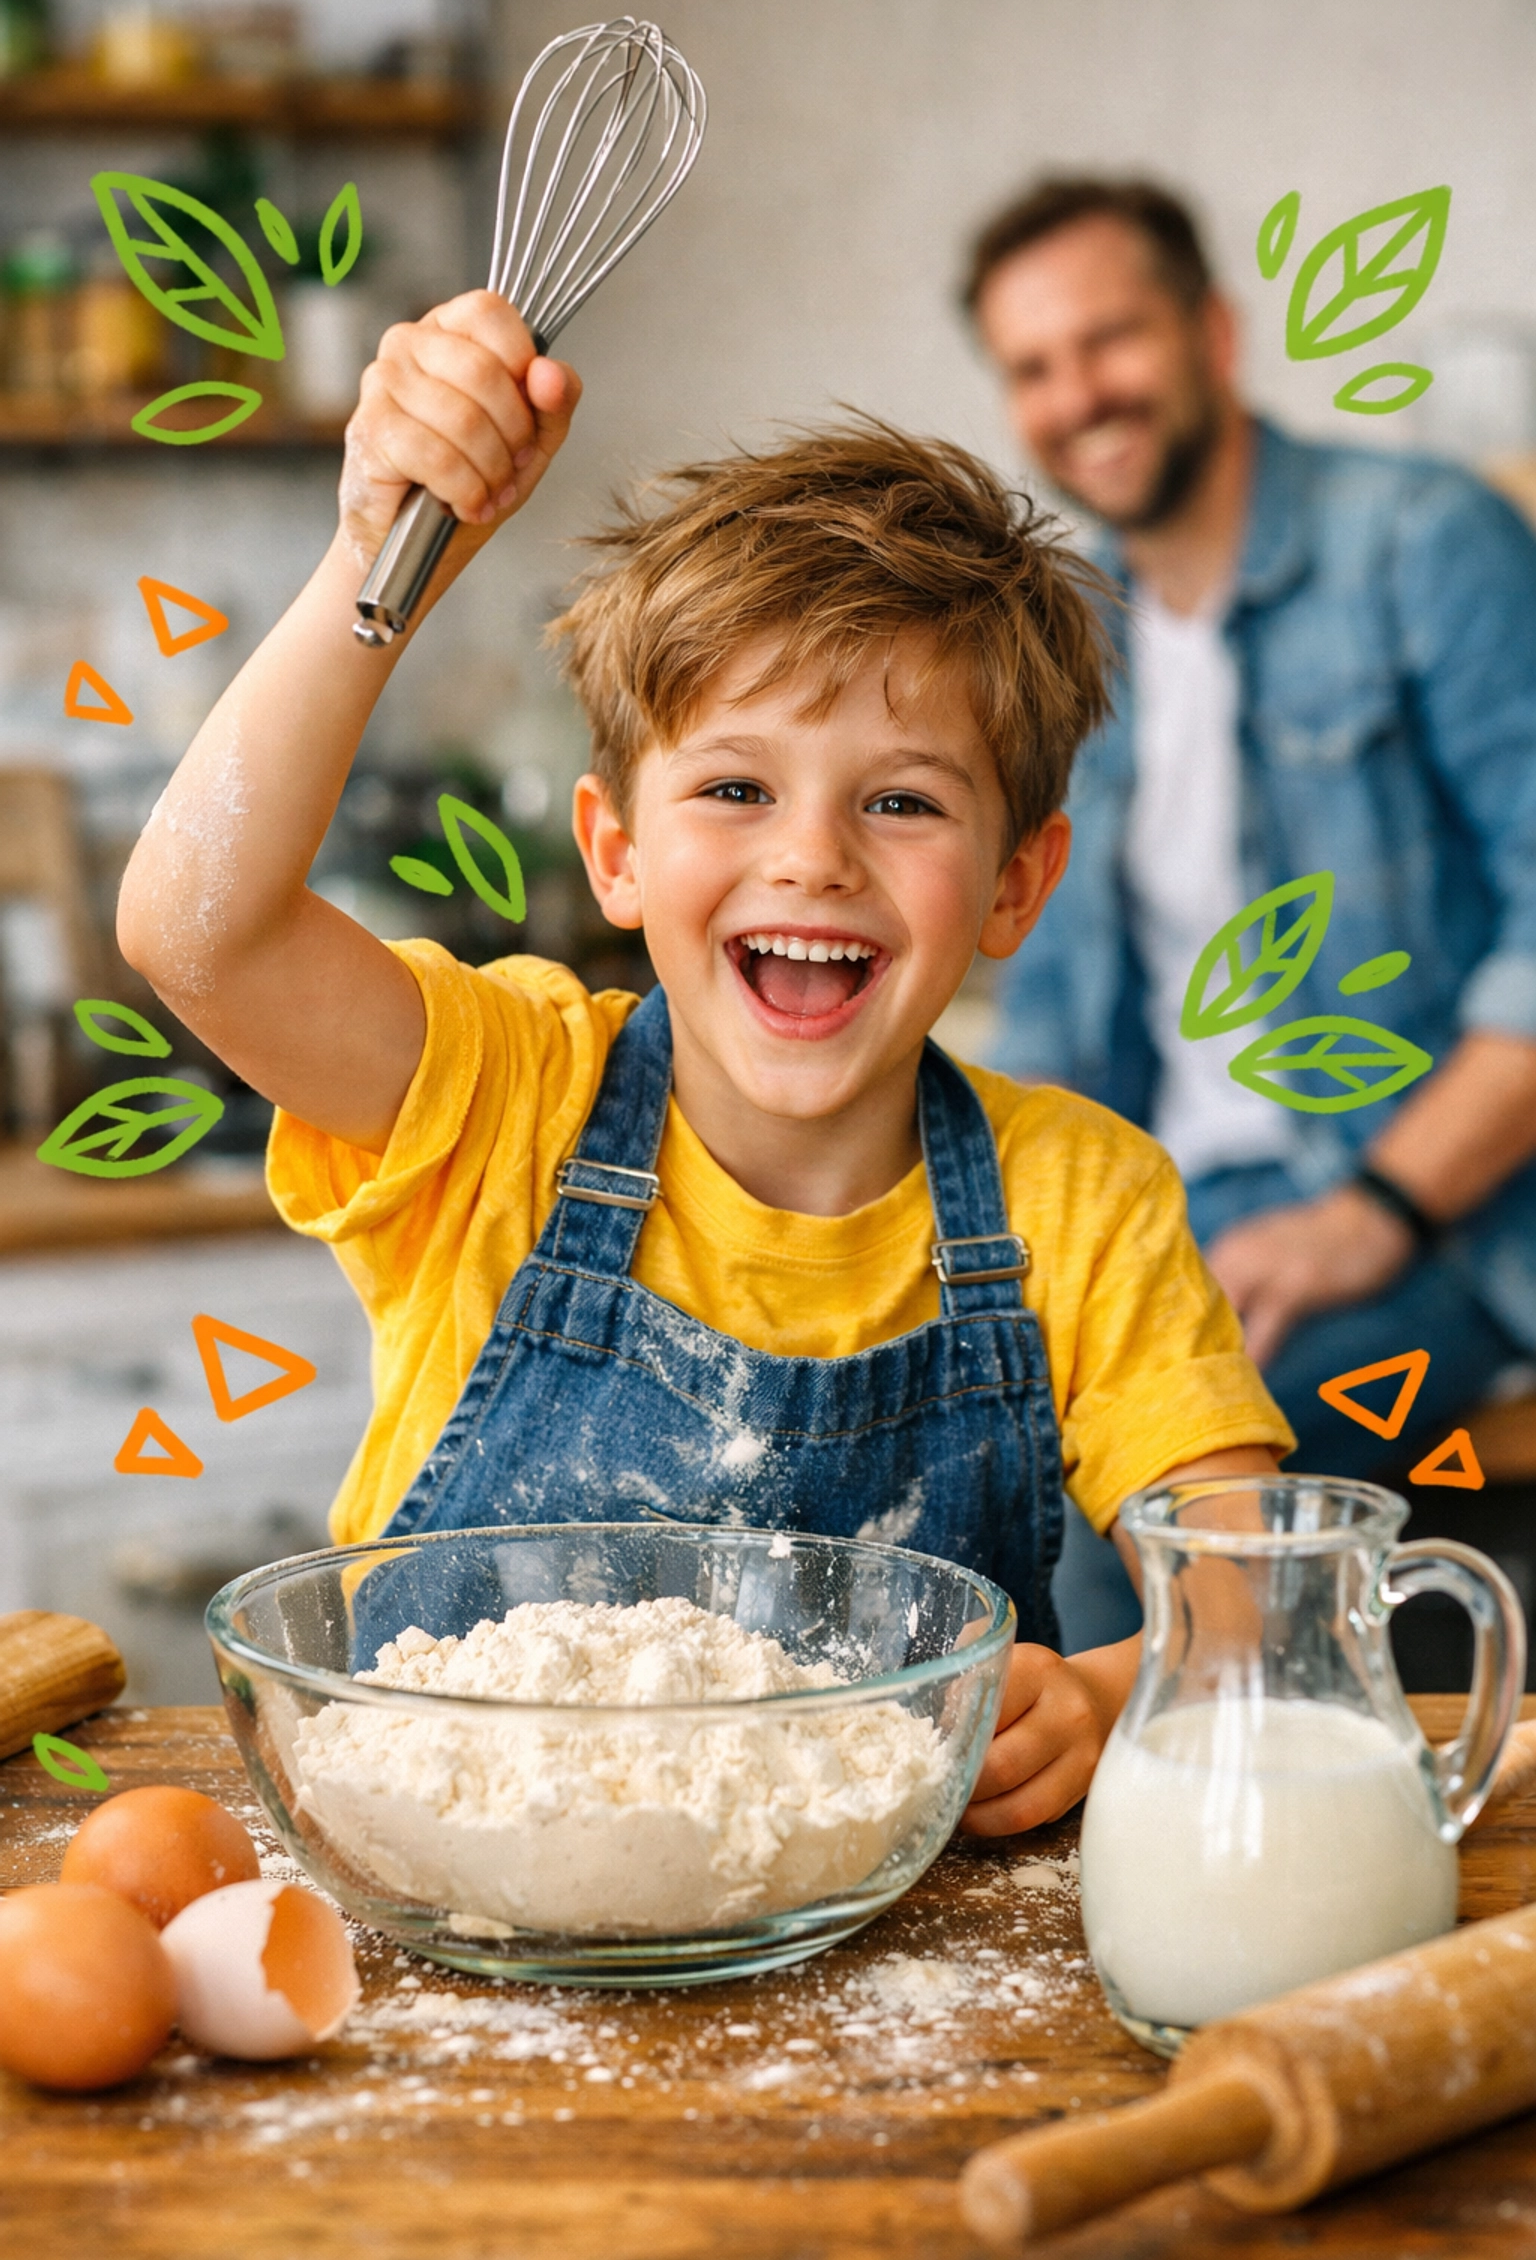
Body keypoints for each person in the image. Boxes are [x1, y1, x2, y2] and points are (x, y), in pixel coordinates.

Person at [115, 289, 1287, 1833]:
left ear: (1018, 881)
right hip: (462, 1925)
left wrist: (1119, 1693)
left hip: (908, 1981)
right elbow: (197, 933)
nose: (811, 859)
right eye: (735, 785)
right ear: (613, 850)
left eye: (905, 803)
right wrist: (379, 561)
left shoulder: (1081, 1199)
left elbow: (1266, 1597)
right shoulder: (503, 1098)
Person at [967, 175, 1536, 1493]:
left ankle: (1172, 1701)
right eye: (1034, 366)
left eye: (1110, 339)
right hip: (1167, 1205)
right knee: (936, 1405)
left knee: (1130, 1467)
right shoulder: (1075, 632)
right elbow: (1053, 1012)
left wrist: (1370, 1215)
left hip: (1437, 1219)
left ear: (1212, 335)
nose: (1079, 393)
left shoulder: (1423, 542)